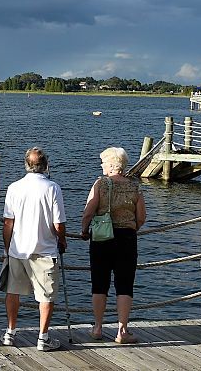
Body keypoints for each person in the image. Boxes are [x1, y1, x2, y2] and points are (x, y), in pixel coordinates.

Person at [1, 147, 66, 351]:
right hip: (44, 249)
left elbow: (7, 223)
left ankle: (10, 333)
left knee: (13, 292)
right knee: (46, 296)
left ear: (26, 165)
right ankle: (43, 337)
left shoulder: (14, 188)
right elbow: (58, 224)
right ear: (46, 165)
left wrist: (7, 246)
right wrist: (62, 241)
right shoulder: (52, 188)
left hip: (17, 249)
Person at [79, 146, 147, 344]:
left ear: (111, 165)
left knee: (99, 283)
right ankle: (122, 331)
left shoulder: (100, 184)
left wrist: (84, 230)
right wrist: (131, 227)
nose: (101, 165)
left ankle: (98, 327)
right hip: (127, 238)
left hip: (102, 238)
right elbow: (141, 217)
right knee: (125, 284)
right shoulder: (135, 187)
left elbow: (89, 212)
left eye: (103, 162)